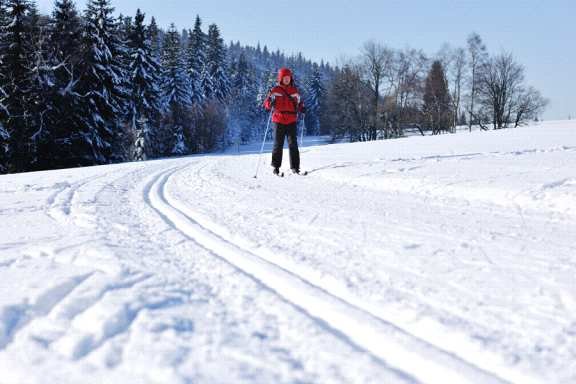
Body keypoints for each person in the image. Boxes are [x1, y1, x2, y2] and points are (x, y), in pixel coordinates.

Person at [264, 67, 306, 175]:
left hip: (291, 119)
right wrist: (270, 103)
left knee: (293, 144)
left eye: (288, 77)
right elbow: (266, 104)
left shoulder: (294, 91)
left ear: (290, 78)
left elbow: (299, 103)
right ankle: (276, 167)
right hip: (278, 119)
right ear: (280, 78)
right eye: (284, 77)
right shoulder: (274, 90)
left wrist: (302, 108)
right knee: (278, 144)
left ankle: (295, 168)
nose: (287, 79)